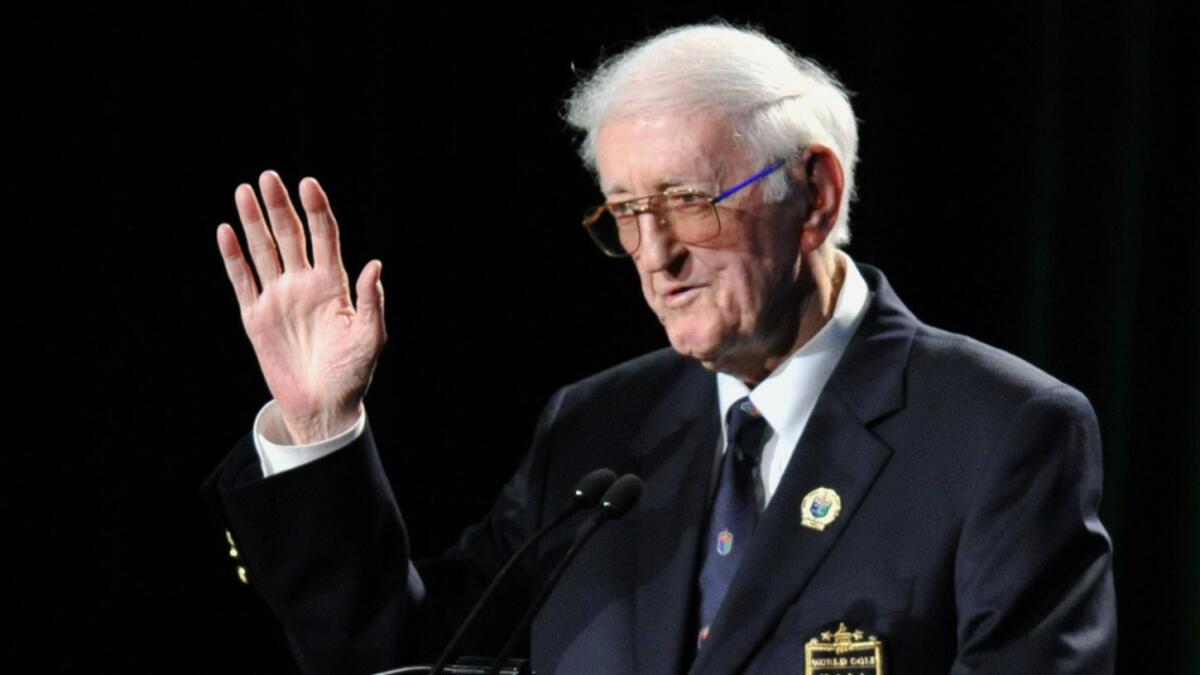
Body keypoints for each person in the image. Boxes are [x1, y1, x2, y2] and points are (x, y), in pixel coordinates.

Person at [203, 23, 1117, 675]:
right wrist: (320, 428)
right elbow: (411, 655)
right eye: (627, 214)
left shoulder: (1001, 434)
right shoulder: (601, 427)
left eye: (686, 201)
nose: (654, 255)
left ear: (817, 197)